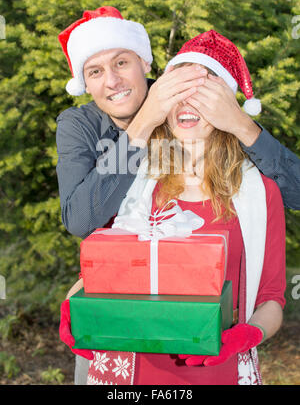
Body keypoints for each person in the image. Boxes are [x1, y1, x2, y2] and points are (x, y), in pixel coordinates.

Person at [60, 31, 286, 385]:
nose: (186, 104)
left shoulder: (259, 191)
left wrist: (248, 335)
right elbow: (104, 267)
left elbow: (272, 297)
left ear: (225, 105)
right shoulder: (136, 179)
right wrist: (73, 308)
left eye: (202, 94)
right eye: (177, 93)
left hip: (215, 370)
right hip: (131, 371)